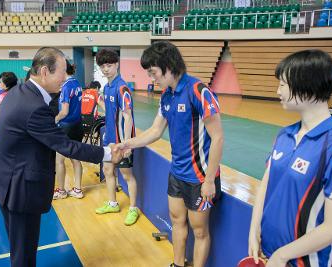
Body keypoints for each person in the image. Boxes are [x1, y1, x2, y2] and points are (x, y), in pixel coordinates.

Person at [0, 47, 122, 267]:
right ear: (46, 72)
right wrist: (108, 152)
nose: (66, 78)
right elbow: (65, 145)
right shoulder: (34, 106)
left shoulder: (19, 92)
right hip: (19, 188)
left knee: (19, 247)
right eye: (63, 72)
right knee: (24, 254)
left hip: (5, 180)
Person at [248, 50, 332, 267]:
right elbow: (266, 184)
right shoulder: (284, 135)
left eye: (282, 84)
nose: (277, 90)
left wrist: (283, 255)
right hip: (268, 254)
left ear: (306, 86)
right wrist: (254, 230)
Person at [116, 41, 224, 267]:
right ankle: (177, 264)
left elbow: (218, 137)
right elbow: (155, 131)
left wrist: (209, 180)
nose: (151, 78)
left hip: (199, 176)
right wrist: (128, 144)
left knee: (200, 230)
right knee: (177, 221)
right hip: (177, 172)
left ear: (168, 65)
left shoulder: (197, 90)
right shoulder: (166, 96)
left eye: (153, 72)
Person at [94, 48, 140, 226]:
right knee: (107, 171)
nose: (106, 69)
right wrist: (100, 103)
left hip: (122, 141)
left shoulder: (122, 88)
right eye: (103, 66)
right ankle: (113, 203)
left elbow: (127, 116)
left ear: (117, 65)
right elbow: (111, 112)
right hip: (108, 139)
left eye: (109, 65)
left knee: (127, 176)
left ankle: (133, 208)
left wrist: (127, 144)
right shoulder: (107, 87)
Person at [53, 60, 85, 199]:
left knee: (59, 160)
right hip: (78, 125)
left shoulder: (66, 87)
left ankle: (61, 191)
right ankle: (78, 190)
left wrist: (54, 119)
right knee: (75, 158)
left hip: (65, 127)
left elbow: (64, 112)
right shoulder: (77, 83)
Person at [0, 72, 18, 141]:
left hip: (7, 130)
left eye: (0, 82)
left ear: (6, 84)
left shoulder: (2, 97)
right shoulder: (21, 93)